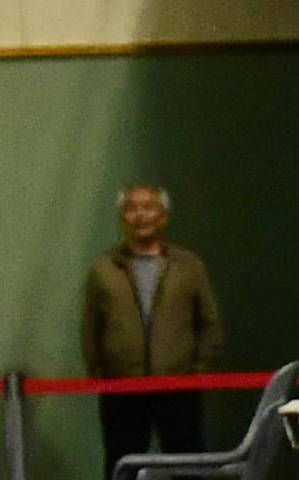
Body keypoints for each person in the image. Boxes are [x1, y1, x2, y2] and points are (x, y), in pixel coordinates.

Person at [84, 184, 225, 468]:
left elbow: (210, 324)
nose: (140, 215)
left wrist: (197, 373)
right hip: (122, 390)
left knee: (188, 466)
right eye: (132, 208)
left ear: (163, 216)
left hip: (179, 387)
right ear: (122, 217)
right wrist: (101, 376)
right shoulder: (103, 269)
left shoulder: (188, 266)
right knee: (122, 465)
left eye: (148, 207)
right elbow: (90, 328)